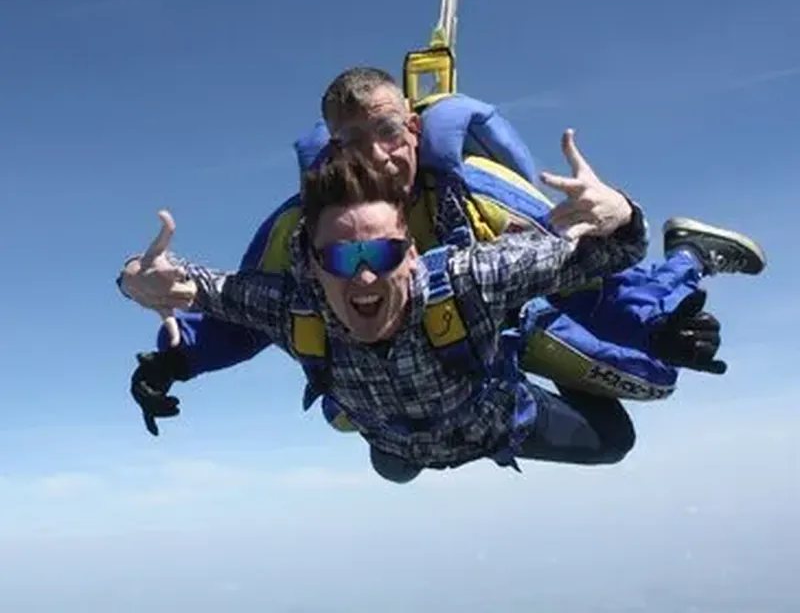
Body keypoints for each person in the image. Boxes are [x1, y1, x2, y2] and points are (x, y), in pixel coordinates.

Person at [128, 67, 766, 436]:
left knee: (645, 379)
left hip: (505, 325)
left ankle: (692, 257)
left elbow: (575, 275)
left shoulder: (480, 197)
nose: (374, 154)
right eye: (351, 140)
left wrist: (660, 322)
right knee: (359, 427)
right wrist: (175, 359)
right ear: (332, 150)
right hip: (398, 384)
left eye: (386, 131)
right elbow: (256, 311)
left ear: (412, 129)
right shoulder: (301, 230)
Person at [119, 143, 651, 482]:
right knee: (392, 467)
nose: (364, 276)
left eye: (381, 254)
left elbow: (610, 251)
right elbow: (201, 287)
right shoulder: (293, 307)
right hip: (397, 441)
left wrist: (620, 212)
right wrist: (135, 280)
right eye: (341, 258)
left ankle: (537, 344)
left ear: (412, 252)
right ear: (311, 263)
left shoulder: (469, 279)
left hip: (494, 422)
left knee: (616, 442)